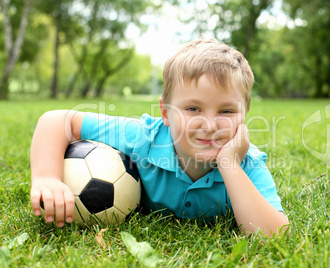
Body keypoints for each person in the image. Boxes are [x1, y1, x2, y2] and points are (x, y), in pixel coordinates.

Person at [30, 39, 289, 236]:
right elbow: (57, 121)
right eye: (192, 109)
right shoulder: (145, 137)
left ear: (244, 115)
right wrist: (46, 178)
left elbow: (274, 235)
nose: (210, 125)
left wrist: (230, 165)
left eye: (227, 111)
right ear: (165, 112)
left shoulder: (248, 162)